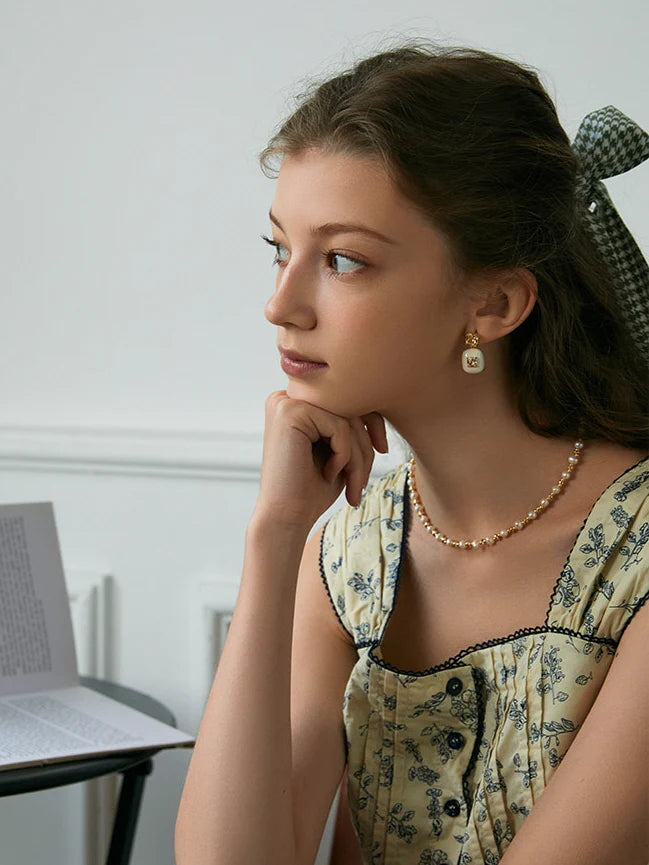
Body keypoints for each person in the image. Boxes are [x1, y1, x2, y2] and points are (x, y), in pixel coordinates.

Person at [175, 44, 649, 865]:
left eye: (343, 260)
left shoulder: (637, 556)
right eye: (279, 248)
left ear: (494, 303)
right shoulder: (352, 555)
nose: (279, 304)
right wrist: (275, 534)